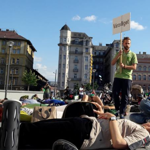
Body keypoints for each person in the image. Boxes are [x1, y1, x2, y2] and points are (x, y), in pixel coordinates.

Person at [18, 101, 150, 150]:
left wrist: (113, 119)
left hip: (86, 134)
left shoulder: (144, 134)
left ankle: (7, 136)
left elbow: (119, 144)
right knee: (35, 129)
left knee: (31, 132)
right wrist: (104, 115)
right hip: (85, 124)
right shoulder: (139, 126)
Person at [111, 37, 138, 119]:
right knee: (115, 94)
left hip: (127, 77)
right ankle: (117, 109)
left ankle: (122, 112)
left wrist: (125, 66)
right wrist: (118, 56)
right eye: (126, 43)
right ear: (123, 43)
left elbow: (134, 67)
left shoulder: (133, 54)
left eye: (129, 43)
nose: (127, 45)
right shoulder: (119, 53)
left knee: (125, 96)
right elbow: (112, 63)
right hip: (118, 76)